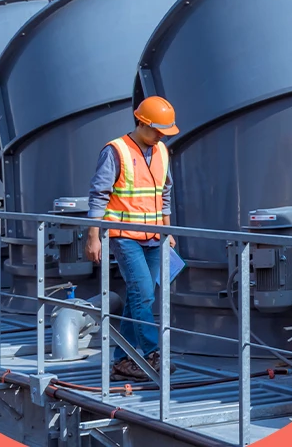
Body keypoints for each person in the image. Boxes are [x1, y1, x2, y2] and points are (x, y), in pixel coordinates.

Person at [84, 96, 180, 382]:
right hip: (125, 237)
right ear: (142, 122)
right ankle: (152, 351)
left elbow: (165, 194)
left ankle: (122, 360)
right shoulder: (116, 151)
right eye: (157, 131)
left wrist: (168, 230)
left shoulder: (161, 150)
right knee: (145, 294)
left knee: (138, 296)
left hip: (153, 237)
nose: (161, 136)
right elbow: (98, 194)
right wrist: (93, 236)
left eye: (165, 132)